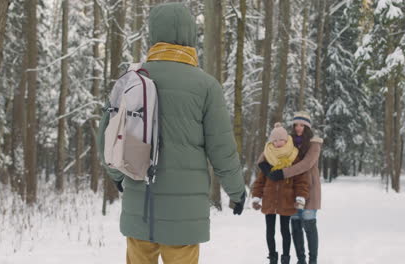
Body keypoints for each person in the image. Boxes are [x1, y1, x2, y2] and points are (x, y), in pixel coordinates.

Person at [97, 3, 246, 264]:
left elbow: (107, 137)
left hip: (139, 205)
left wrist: (117, 176)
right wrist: (236, 191)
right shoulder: (206, 86)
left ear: (153, 34)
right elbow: (222, 149)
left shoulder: (133, 79)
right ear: (190, 35)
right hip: (184, 217)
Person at [252, 122, 310, 264]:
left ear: (286, 139)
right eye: (275, 140)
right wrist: (256, 197)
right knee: (269, 231)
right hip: (269, 199)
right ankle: (272, 256)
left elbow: (300, 180)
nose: (278, 143)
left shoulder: (294, 155)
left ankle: (285, 258)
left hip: (286, 200)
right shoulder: (267, 155)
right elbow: (260, 180)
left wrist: (300, 197)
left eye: (281, 140)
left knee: (285, 231)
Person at [271, 111, 323, 264]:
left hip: (311, 189)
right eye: (296, 125)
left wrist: (283, 173)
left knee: (309, 224)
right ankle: (301, 260)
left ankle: (312, 260)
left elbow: (305, 165)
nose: (299, 128)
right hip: (293, 189)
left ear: (307, 127)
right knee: (295, 226)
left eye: (302, 125)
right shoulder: (289, 142)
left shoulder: (314, 144)